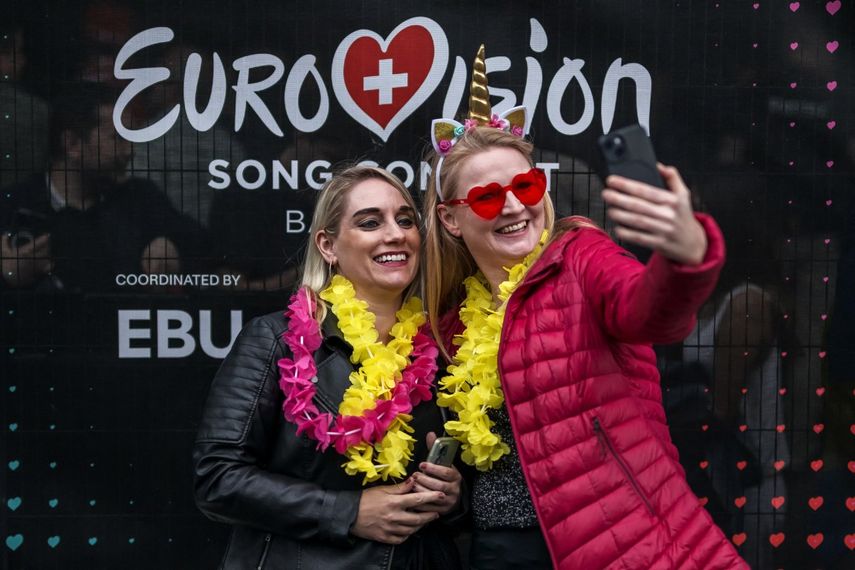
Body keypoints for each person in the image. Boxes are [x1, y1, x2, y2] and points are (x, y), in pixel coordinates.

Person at [422, 46, 747, 569]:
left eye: (525, 185)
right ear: (452, 219)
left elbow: (650, 313)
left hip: (617, 541)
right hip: (499, 551)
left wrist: (685, 257)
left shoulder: (579, 257)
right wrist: (450, 489)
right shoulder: (449, 322)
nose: (513, 205)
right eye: (486, 197)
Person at [193, 165, 464, 569]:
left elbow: (473, 491)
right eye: (370, 222)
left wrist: (454, 496)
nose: (395, 234)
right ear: (328, 245)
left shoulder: (442, 348)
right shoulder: (276, 340)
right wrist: (349, 512)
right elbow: (217, 479)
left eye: (405, 220)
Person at [0, 81, 208, 292]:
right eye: (117, 138)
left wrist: (172, 243)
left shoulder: (140, 198)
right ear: (72, 144)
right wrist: (8, 277)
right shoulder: (14, 205)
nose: (130, 151)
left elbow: (203, 244)